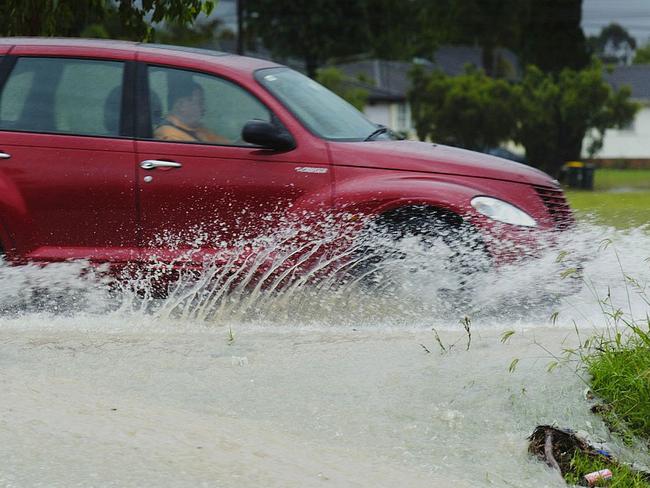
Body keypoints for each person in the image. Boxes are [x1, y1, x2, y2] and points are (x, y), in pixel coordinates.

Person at [154, 81, 229, 144]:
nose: (204, 108)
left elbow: (229, 145)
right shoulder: (170, 137)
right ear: (181, 105)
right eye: (200, 102)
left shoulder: (195, 128)